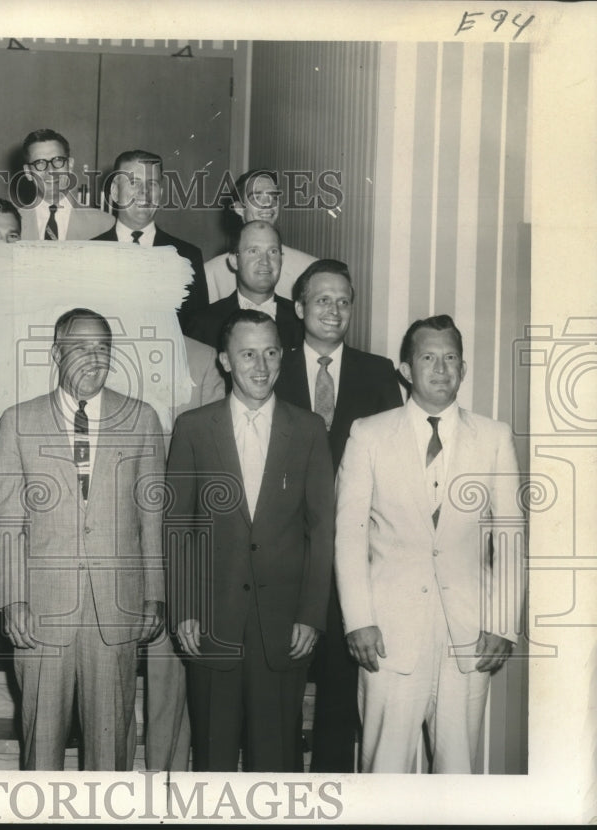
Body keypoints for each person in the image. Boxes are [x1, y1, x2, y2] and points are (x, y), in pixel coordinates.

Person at [335, 314, 524, 773]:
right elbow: (349, 533)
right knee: (385, 770)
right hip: (388, 633)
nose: (441, 369)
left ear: (463, 368)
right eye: (428, 357)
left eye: (451, 358)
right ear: (405, 369)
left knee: (457, 774)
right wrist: (358, 620)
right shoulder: (369, 434)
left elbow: (510, 536)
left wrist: (502, 623)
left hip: (469, 636)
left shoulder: (494, 438)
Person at [0, 308, 165, 770]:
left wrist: (155, 596)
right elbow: (6, 519)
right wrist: (12, 600)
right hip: (42, 613)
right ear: (55, 354)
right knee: (41, 746)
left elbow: (152, 518)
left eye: (103, 348)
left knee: (112, 749)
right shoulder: (17, 421)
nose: (93, 358)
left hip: (117, 610)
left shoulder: (142, 419)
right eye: (80, 348)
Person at [167, 309, 335, 772]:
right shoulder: (194, 429)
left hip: (283, 628)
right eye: (247, 354)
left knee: (277, 761)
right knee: (213, 760)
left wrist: (311, 615)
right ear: (224, 361)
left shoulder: (308, 430)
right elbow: (178, 526)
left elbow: (322, 532)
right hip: (212, 624)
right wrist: (184, 609)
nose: (260, 367)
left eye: (270, 353)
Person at [273, 259, 403, 772]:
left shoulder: (376, 373)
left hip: (351, 556)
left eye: (344, 300)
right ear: (299, 307)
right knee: (281, 684)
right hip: (286, 556)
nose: (334, 309)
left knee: (339, 689)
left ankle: (332, 792)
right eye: (322, 299)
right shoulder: (273, 365)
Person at [142, 334, 225, 773]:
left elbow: (210, 448)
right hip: (111, 533)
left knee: (171, 668)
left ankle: (166, 779)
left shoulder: (202, 356)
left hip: (180, 531)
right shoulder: (101, 345)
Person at [91, 149, 209, 327]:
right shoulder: (90, 254)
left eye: (152, 184)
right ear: (115, 192)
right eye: (134, 183)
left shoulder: (187, 256)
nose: (144, 192)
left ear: (160, 192)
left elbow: (198, 331)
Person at [187, 221, 303, 352]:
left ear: (281, 260)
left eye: (273, 251)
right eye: (253, 251)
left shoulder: (302, 320)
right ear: (234, 261)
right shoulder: (204, 324)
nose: (265, 261)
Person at [205, 169, 317, 303]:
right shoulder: (210, 274)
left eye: (273, 197)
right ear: (239, 208)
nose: (268, 204)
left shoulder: (308, 269)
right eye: (257, 197)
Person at [16, 129, 114, 241]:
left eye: (58, 160)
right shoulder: (10, 225)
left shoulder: (105, 224)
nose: (51, 170)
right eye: (40, 163)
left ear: (70, 165)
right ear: (28, 172)